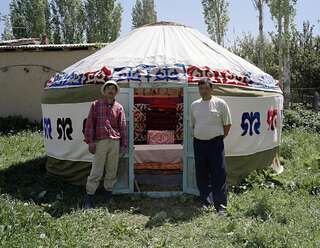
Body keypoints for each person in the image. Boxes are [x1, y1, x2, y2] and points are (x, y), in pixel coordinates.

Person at [190, 78, 232, 216]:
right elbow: (194, 124)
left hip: (215, 143)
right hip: (199, 143)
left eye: (206, 88)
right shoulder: (194, 105)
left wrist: (218, 138)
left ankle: (221, 206)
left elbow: (227, 124)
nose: (203, 91)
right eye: (201, 89)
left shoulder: (220, 103)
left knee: (218, 173)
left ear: (211, 89)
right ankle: (205, 201)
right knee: (201, 173)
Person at [83, 80, 128, 209]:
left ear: (116, 92)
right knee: (96, 170)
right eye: (108, 87)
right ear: (104, 90)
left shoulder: (119, 107)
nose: (110, 90)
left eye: (113, 88)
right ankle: (90, 198)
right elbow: (90, 124)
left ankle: (108, 196)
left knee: (112, 169)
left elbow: (123, 126)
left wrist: (124, 144)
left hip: (114, 142)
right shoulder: (96, 105)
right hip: (100, 141)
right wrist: (90, 142)